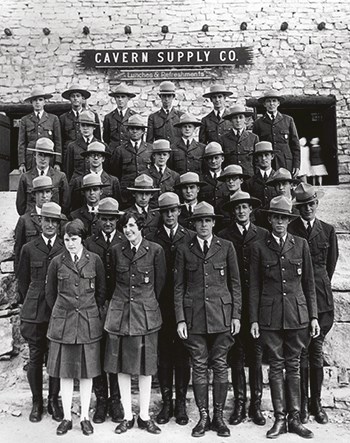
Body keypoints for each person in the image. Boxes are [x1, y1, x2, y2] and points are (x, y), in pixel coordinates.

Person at [249, 195, 319, 439]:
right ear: (269, 219)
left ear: (290, 220)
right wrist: (254, 319)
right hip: (269, 316)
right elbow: (255, 286)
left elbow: (309, 283)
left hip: (297, 314)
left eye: (284, 218)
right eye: (276, 217)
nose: (280, 222)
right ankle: (279, 419)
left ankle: (295, 419)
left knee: (295, 365)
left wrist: (313, 317)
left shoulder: (301, 244)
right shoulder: (258, 246)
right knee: (276, 366)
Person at [174, 202, 241, 438]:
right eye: (199, 221)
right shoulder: (184, 249)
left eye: (207, 220)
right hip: (194, 318)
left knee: (220, 365)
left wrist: (236, 315)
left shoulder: (226, 247)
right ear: (193, 224)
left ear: (213, 222)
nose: (203, 225)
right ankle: (203, 417)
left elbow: (235, 284)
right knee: (199, 365)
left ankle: (219, 417)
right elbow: (178, 287)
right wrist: (180, 319)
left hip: (222, 316)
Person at [104, 211, 166, 435]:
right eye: (125, 227)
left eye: (132, 226)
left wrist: (145, 304)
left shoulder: (155, 251)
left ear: (140, 227)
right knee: (122, 367)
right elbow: (111, 285)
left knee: (146, 368)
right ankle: (128, 416)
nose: (128, 230)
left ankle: (144, 416)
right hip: (121, 316)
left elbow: (159, 285)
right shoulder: (115, 251)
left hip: (146, 316)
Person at [45, 219, 106, 436]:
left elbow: (101, 293)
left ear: (82, 239)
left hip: (88, 324)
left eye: (75, 239)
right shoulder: (57, 262)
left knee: (87, 373)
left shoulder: (94, 260)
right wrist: (64, 313)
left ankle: (85, 417)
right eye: (67, 240)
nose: (70, 244)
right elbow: (51, 294)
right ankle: (67, 417)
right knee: (66, 373)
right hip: (64, 324)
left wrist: (88, 311)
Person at [288, 183, 338, 425]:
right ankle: (303, 403)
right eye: (303, 205)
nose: (307, 209)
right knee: (302, 353)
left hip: (321, 298)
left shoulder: (327, 231)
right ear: (297, 208)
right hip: (298, 300)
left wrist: (319, 285)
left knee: (316, 352)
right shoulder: (291, 229)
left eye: (311, 204)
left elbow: (330, 266)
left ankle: (316, 402)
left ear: (316, 204)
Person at [218, 191, 268, 426]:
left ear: (251, 210)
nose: (241, 211)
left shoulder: (263, 235)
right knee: (236, 355)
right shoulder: (223, 236)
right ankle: (239, 403)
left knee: (256, 355)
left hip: (257, 305)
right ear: (232, 211)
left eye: (245, 207)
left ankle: (255, 405)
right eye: (237, 208)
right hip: (232, 305)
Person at [146, 193, 194, 426]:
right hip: (162, 303)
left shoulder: (190, 237)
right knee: (164, 355)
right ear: (160, 214)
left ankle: (181, 404)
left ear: (179, 211)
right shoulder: (152, 237)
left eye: (174, 211)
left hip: (186, 305)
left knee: (183, 356)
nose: (170, 215)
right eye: (166, 212)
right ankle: (166, 403)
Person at [18, 202, 66, 423]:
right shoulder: (29, 248)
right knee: (36, 357)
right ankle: (37, 401)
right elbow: (23, 281)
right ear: (40, 222)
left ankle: (53, 401)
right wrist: (29, 303)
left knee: (55, 357)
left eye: (54, 221)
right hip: (35, 311)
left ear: (58, 225)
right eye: (46, 220)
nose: (50, 225)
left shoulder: (64, 248)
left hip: (57, 310)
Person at [85, 198, 125, 424]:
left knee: (115, 352)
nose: (108, 223)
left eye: (111, 219)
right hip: (97, 306)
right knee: (98, 352)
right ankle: (101, 399)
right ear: (98, 220)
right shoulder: (91, 243)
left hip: (119, 305)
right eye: (104, 219)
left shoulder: (124, 240)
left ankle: (116, 400)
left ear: (117, 221)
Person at [16, 137, 70, 216]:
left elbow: (66, 204)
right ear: (34, 155)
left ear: (51, 157)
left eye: (46, 155)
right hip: (32, 220)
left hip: (53, 221)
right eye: (40, 154)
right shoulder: (25, 177)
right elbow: (20, 206)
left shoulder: (60, 177)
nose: (43, 158)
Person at [252, 90, 300, 177]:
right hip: (267, 164)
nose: (271, 104)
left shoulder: (288, 120)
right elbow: (256, 147)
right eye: (268, 101)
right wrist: (257, 166)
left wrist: (296, 165)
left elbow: (295, 144)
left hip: (285, 163)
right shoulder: (258, 123)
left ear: (278, 103)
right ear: (264, 104)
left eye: (274, 101)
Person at [108, 115, 153, 208]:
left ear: (143, 131)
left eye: (138, 128)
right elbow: (115, 174)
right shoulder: (120, 150)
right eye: (132, 128)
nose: (135, 131)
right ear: (128, 130)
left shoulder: (150, 149)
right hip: (126, 195)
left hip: (145, 194)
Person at [14, 176, 55, 273]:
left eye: (47, 192)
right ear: (34, 195)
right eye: (41, 192)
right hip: (33, 273)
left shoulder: (60, 219)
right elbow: (18, 250)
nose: (44, 196)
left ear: (52, 194)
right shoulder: (24, 220)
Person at [18, 87, 62, 173]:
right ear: (31, 102)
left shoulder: (53, 119)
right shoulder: (25, 120)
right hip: (31, 160)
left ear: (44, 102)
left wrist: (58, 162)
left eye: (40, 100)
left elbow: (58, 142)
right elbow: (21, 143)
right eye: (34, 100)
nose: (37, 102)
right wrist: (21, 163)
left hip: (48, 160)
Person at [69, 141, 121, 211]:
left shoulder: (113, 181)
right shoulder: (79, 181)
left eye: (99, 156)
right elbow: (75, 207)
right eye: (92, 155)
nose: (96, 158)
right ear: (87, 158)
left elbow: (117, 205)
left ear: (103, 159)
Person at [60, 84, 101, 166]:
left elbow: (97, 137)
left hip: (89, 153)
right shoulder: (63, 118)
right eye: (73, 96)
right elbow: (61, 140)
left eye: (78, 96)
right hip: (70, 155)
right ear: (69, 99)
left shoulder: (92, 115)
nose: (75, 98)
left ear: (83, 98)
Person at [242, 141, 278, 229]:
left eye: (266, 155)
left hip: (276, 223)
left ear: (272, 156)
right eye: (260, 155)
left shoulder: (279, 179)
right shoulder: (249, 182)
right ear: (256, 158)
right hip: (257, 226)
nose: (263, 158)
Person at [220, 105, 259, 176]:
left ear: (245, 120)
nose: (238, 120)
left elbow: (257, 161)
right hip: (231, 177)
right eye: (235, 118)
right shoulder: (223, 139)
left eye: (241, 117)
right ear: (231, 120)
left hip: (249, 177)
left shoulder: (253, 138)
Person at [65, 110, 100, 182]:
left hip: (94, 183)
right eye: (83, 125)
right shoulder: (72, 146)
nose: (85, 128)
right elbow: (68, 171)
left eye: (88, 125)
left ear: (94, 127)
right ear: (79, 127)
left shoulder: (100, 146)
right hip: (77, 185)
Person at [144, 139, 180, 208]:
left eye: (164, 154)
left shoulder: (175, 176)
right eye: (159, 154)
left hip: (168, 212)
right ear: (154, 156)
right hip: (151, 213)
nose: (162, 157)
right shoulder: (145, 175)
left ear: (168, 156)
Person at [103, 84, 137, 152]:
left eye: (123, 97)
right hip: (113, 152)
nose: (120, 99)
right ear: (115, 99)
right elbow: (106, 138)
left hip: (129, 152)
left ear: (128, 98)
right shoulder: (109, 117)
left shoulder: (134, 116)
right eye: (118, 97)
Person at [200, 142, 229, 211]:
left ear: (222, 159)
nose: (213, 161)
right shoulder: (201, 180)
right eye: (210, 158)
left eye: (216, 158)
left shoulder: (228, 178)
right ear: (206, 161)